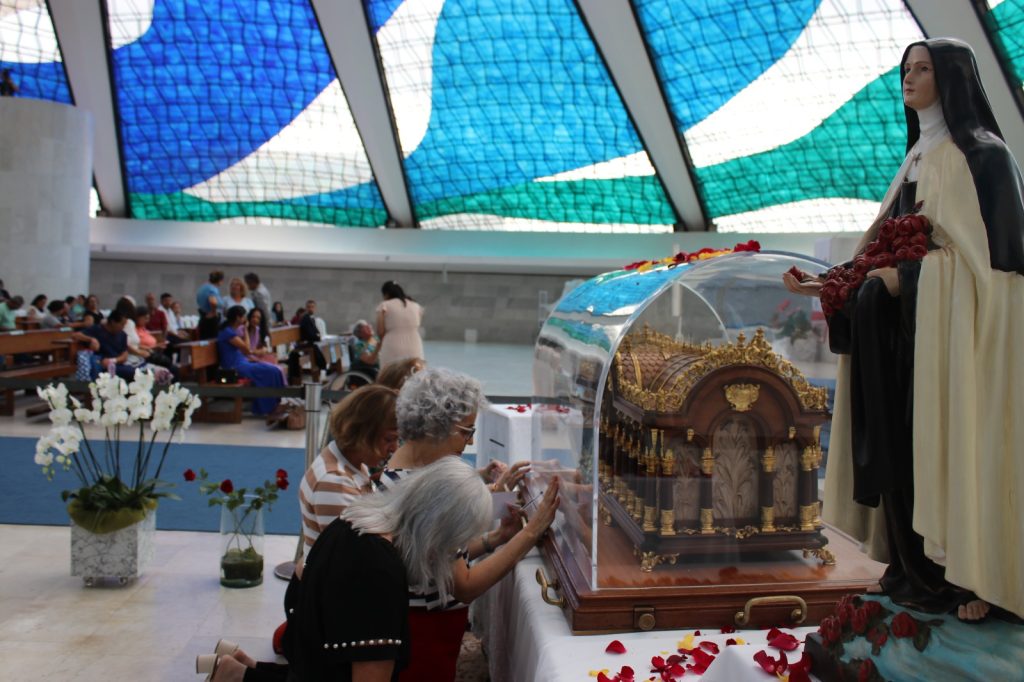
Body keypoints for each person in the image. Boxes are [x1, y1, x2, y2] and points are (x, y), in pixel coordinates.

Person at [784, 39, 1024, 623]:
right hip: (899, 341)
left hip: (953, 350)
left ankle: (962, 580)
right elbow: (882, 249)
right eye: (905, 69)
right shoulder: (916, 159)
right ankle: (910, 570)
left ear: (953, 79)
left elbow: (995, 274)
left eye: (923, 69)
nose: (909, 79)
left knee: (945, 454)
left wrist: (907, 277)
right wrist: (834, 285)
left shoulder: (984, 157)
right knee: (899, 456)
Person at [381, 367, 549, 682]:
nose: (469, 444)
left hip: (403, 620)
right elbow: (466, 585)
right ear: (437, 425)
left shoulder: (395, 469)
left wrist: (497, 538)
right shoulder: (433, 489)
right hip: (426, 629)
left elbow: (432, 553)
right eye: (466, 431)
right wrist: (531, 532)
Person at [217, 305, 285, 416]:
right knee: (270, 372)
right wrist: (246, 330)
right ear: (238, 318)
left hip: (242, 362)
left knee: (275, 370)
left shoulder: (231, 331)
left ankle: (275, 404)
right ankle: (267, 408)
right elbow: (247, 349)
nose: (245, 319)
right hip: (234, 366)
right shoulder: (228, 333)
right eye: (243, 317)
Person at [73, 310, 136, 380]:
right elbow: (76, 335)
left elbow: (124, 355)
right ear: (113, 322)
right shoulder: (97, 329)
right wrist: (91, 339)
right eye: (121, 324)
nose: (123, 327)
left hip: (115, 364)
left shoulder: (122, 335)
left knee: (134, 372)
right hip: (99, 364)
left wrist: (112, 360)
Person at [375, 281, 424, 367]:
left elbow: (381, 332)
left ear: (386, 294)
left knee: (390, 376)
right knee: (414, 376)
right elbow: (417, 325)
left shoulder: (384, 305)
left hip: (392, 346)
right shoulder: (416, 306)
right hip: (415, 346)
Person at [197, 270, 225, 340]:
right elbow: (213, 301)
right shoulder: (212, 289)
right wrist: (214, 312)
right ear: (220, 280)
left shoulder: (203, 287)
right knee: (213, 341)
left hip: (203, 317)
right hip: (211, 320)